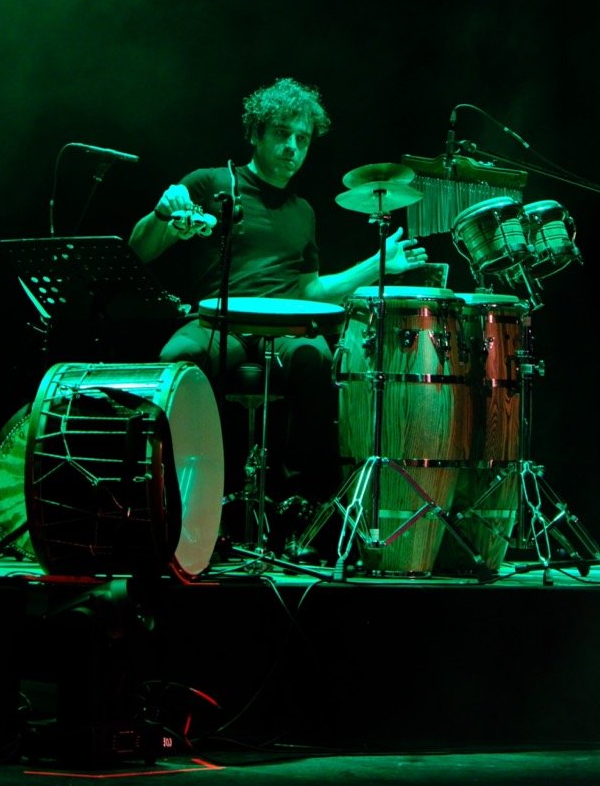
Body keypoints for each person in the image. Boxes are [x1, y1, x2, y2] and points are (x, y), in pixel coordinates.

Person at [128, 75, 428, 549]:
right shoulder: (211, 183)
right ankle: (185, 493)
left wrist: (377, 265)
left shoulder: (302, 211)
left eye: (302, 139)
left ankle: (298, 505)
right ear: (256, 133)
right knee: (179, 361)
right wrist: (162, 215)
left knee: (316, 358)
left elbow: (311, 291)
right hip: (219, 321)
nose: (292, 147)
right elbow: (141, 249)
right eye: (282, 134)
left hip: (285, 325)